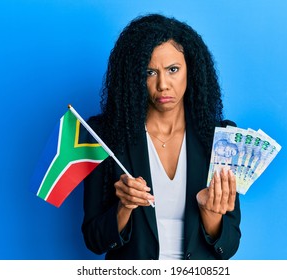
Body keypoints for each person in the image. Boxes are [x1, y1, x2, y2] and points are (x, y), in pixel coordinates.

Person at [81, 13, 241, 260]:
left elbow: (229, 246)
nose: (163, 84)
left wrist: (211, 213)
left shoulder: (221, 140)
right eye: (149, 72)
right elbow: (94, 240)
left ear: (192, 70)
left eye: (173, 69)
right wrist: (124, 207)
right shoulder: (105, 136)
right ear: (134, 77)